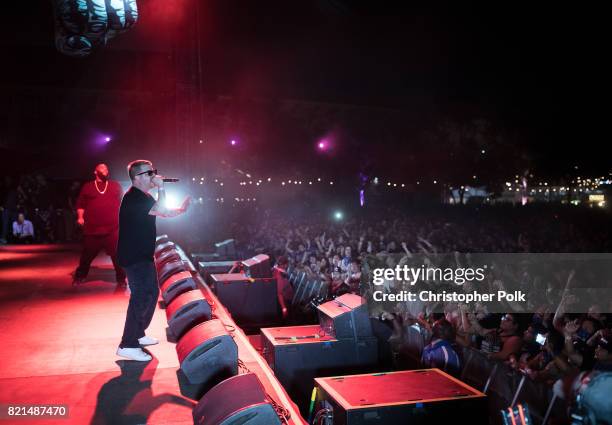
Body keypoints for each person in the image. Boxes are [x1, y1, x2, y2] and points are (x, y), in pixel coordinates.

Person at [116, 159, 190, 361]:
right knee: (141, 296)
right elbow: (161, 206)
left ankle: (138, 334)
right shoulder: (134, 198)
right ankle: (127, 344)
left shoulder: (144, 197)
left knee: (150, 293)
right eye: (150, 173)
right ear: (138, 177)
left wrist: (181, 211)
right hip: (134, 256)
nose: (154, 175)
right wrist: (162, 188)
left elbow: (163, 211)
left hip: (142, 254)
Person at [72, 163, 125, 287]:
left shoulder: (115, 185)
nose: (105, 170)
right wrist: (80, 217)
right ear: (95, 172)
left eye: (107, 168)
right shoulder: (88, 187)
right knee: (87, 255)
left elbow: (123, 203)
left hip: (113, 228)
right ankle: (80, 276)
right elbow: (80, 205)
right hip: (92, 229)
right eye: (102, 168)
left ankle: (121, 279)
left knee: (118, 255)